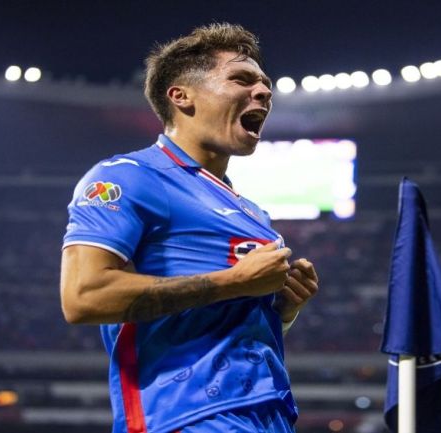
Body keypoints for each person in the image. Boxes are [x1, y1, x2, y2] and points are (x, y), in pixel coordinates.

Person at [60, 23, 319, 433]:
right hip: (187, 417)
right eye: (241, 78)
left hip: (269, 418)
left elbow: (230, 318)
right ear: (181, 96)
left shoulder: (251, 212)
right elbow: (83, 297)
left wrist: (283, 310)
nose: (265, 92)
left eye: (266, 84)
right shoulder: (128, 177)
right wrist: (235, 282)